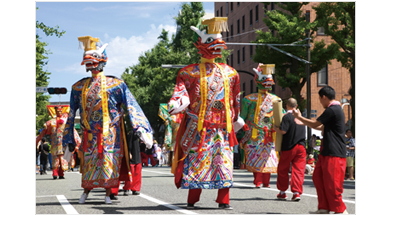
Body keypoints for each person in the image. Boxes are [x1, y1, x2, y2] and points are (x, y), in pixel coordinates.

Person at [63, 36, 153, 204]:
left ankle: (107, 192)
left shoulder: (116, 84)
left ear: (103, 59)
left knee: (108, 161)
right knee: (90, 163)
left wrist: (140, 127)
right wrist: (68, 139)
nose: (91, 63)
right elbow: (71, 114)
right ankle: (86, 191)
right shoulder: (78, 87)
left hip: (110, 133)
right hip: (89, 134)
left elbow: (132, 105)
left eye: (94, 59)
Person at [168, 17, 242, 210]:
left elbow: (235, 99)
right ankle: (192, 199)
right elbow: (180, 91)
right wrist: (179, 101)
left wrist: (235, 119)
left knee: (223, 164)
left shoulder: (231, 73)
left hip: (222, 130)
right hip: (199, 128)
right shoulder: (188, 73)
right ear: (199, 43)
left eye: (218, 41)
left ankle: (223, 200)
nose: (217, 45)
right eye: (211, 41)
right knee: (197, 162)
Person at [292, 86, 348, 214]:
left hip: (334, 152)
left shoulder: (332, 109)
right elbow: (321, 125)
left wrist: (300, 117)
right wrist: (304, 122)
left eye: (320, 98)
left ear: (323, 97)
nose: (320, 101)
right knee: (318, 177)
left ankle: (340, 209)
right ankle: (324, 207)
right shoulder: (334, 109)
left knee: (332, 183)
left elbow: (316, 124)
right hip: (327, 151)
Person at [240, 64, 283, 188]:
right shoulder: (248, 100)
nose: (268, 84)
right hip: (255, 133)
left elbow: (281, 115)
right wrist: (243, 127)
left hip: (270, 133)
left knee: (268, 158)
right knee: (255, 157)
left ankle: (266, 182)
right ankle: (258, 181)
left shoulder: (276, 99)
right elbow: (242, 117)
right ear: (257, 80)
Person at [274, 98, 306, 201]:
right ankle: (296, 193)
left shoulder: (287, 116)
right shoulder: (301, 117)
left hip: (289, 146)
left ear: (286, 106)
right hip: (301, 146)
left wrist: (276, 129)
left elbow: (283, 131)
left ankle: (283, 192)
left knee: (283, 169)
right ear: (296, 106)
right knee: (298, 170)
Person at [36, 105, 77, 180]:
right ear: (55, 111)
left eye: (60, 110)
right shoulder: (51, 122)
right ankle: (55, 173)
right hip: (55, 144)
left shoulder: (66, 121)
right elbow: (43, 133)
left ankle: (61, 173)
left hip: (64, 144)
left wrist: (77, 142)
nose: (59, 112)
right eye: (57, 111)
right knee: (55, 159)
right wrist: (37, 140)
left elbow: (73, 131)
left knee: (63, 159)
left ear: (62, 111)